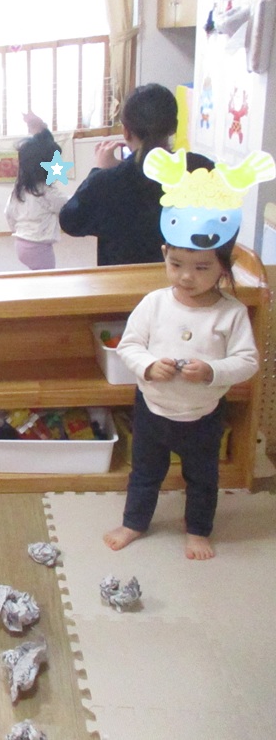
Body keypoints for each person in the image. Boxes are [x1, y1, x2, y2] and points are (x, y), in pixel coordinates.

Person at [104, 146, 273, 560]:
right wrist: (148, 366)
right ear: (165, 254)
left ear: (224, 267)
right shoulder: (154, 303)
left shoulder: (231, 313)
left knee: (203, 478)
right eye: (177, 264)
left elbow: (248, 361)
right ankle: (134, 523)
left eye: (201, 268)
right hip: (152, 409)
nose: (186, 277)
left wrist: (212, 370)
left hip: (202, 417)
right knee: (145, 473)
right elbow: (130, 345)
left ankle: (198, 530)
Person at [59, 83, 214, 266]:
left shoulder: (105, 182)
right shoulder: (201, 168)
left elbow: (69, 221)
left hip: (122, 281)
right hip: (185, 279)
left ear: (125, 131)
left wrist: (99, 171)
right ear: (174, 127)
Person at [4, 113, 68, 271]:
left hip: (20, 243)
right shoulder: (46, 192)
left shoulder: (20, 190)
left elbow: (8, 213)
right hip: (39, 246)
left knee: (37, 274)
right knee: (48, 277)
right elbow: (68, 205)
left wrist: (18, 230)